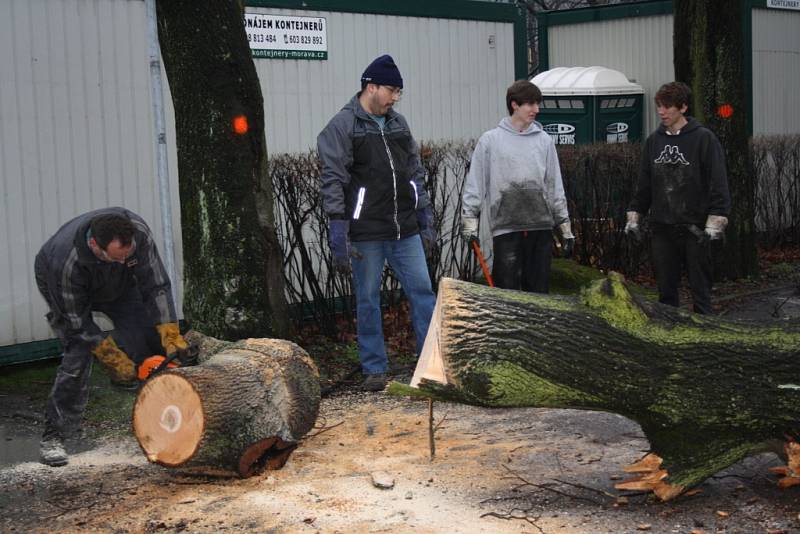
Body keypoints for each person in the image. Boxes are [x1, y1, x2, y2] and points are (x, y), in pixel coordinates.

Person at [317, 54, 436, 392]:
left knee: (423, 294)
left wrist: (424, 215)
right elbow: (333, 180)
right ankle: (374, 368)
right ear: (371, 87)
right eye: (392, 91)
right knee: (368, 298)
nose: (395, 98)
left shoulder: (398, 124)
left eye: (399, 92)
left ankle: (429, 364)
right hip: (366, 233)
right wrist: (339, 228)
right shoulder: (342, 126)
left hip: (405, 230)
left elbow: (414, 172)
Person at [34, 207, 188, 466]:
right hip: (64, 285)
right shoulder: (66, 262)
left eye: (126, 256)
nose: (122, 261)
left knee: (150, 342)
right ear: (95, 245)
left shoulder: (138, 234)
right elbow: (78, 324)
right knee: (78, 354)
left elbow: (156, 285)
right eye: (116, 257)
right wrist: (112, 357)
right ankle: (54, 437)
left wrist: (169, 333)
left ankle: (165, 424)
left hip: (120, 288)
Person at [625, 81, 730, 314]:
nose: (661, 112)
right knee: (665, 293)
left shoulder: (704, 139)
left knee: (701, 291)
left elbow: (718, 184)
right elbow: (644, 185)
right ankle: (668, 343)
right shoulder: (654, 141)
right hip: (662, 228)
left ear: (683, 108)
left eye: (667, 106)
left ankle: (706, 338)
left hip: (696, 231)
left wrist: (715, 226)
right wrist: (634, 218)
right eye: (659, 106)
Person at [461, 80, 574, 293]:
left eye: (537, 104)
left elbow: (554, 186)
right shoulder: (490, 141)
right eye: (530, 104)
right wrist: (469, 222)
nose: (536, 109)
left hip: (540, 227)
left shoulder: (544, 141)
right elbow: (475, 184)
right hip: (506, 227)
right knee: (507, 292)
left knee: (539, 292)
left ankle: (537, 327)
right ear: (514, 105)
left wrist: (564, 226)